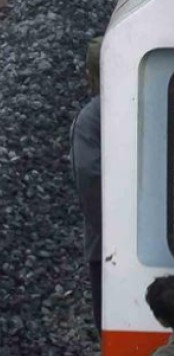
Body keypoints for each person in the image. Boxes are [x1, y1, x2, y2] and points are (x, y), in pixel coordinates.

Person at [70, 36, 103, 333]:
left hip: (104, 246)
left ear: (90, 76)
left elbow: (89, 176)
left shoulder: (91, 119)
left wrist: (114, 235)